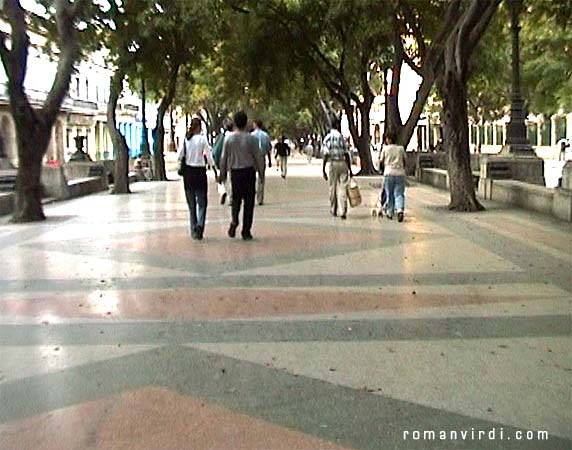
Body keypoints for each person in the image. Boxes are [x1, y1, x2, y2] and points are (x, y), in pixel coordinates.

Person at [219, 110, 264, 241]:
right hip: (249, 172)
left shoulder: (229, 139)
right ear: (246, 123)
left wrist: (222, 174)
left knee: (236, 200)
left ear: (235, 123)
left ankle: (234, 220)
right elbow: (258, 157)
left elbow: (223, 158)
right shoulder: (252, 139)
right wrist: (261, 174)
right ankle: (246, 230)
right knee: (249, 203)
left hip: (235, 172)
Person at [177, 117, 216, 240]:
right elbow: (209, 158)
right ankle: (200, 226)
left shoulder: (186, 140)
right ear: (199, 127)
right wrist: (214, 169)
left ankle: (193, 228)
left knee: (191, 204)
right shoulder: (203, 139)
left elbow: (179, 155)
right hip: (200, 173)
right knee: (202, 203)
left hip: (188, 173)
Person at [322, 119, 352, 220]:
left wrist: (323, 168)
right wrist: (350, 169)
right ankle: (343, 210)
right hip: (343, 163)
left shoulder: (327, 138)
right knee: (343, 187)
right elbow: (346, 153)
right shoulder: (342, 138)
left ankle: (333, 209)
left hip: (333, 164)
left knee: (332, 187)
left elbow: (326, 154)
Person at [379, 134, 407, 222]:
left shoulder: (385, 149)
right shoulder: (401, 149)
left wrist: (381, 169)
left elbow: (381, 161)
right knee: (399, 193)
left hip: (388, 173)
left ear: (388, 139)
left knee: (389, 193)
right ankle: (400, 210)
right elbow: (405, 160)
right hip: (400, 173)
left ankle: (390, 212)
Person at [212, 118, 234, 205]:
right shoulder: (234, 136)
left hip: (223, 161)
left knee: (223, 179)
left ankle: (223, 192)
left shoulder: (221, 137)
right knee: (231, 180)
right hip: (233, 162)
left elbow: (215, 151)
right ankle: (231, 197)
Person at [251, 119, 272, 205]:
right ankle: (260, 198)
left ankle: (252, 194)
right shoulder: (265, 135)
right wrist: (269, 160)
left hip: (252, 158)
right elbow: (268, 148)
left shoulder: (251, 135)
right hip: (261, 157)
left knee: (251, 178)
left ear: (256, 125)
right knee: (261, 178)